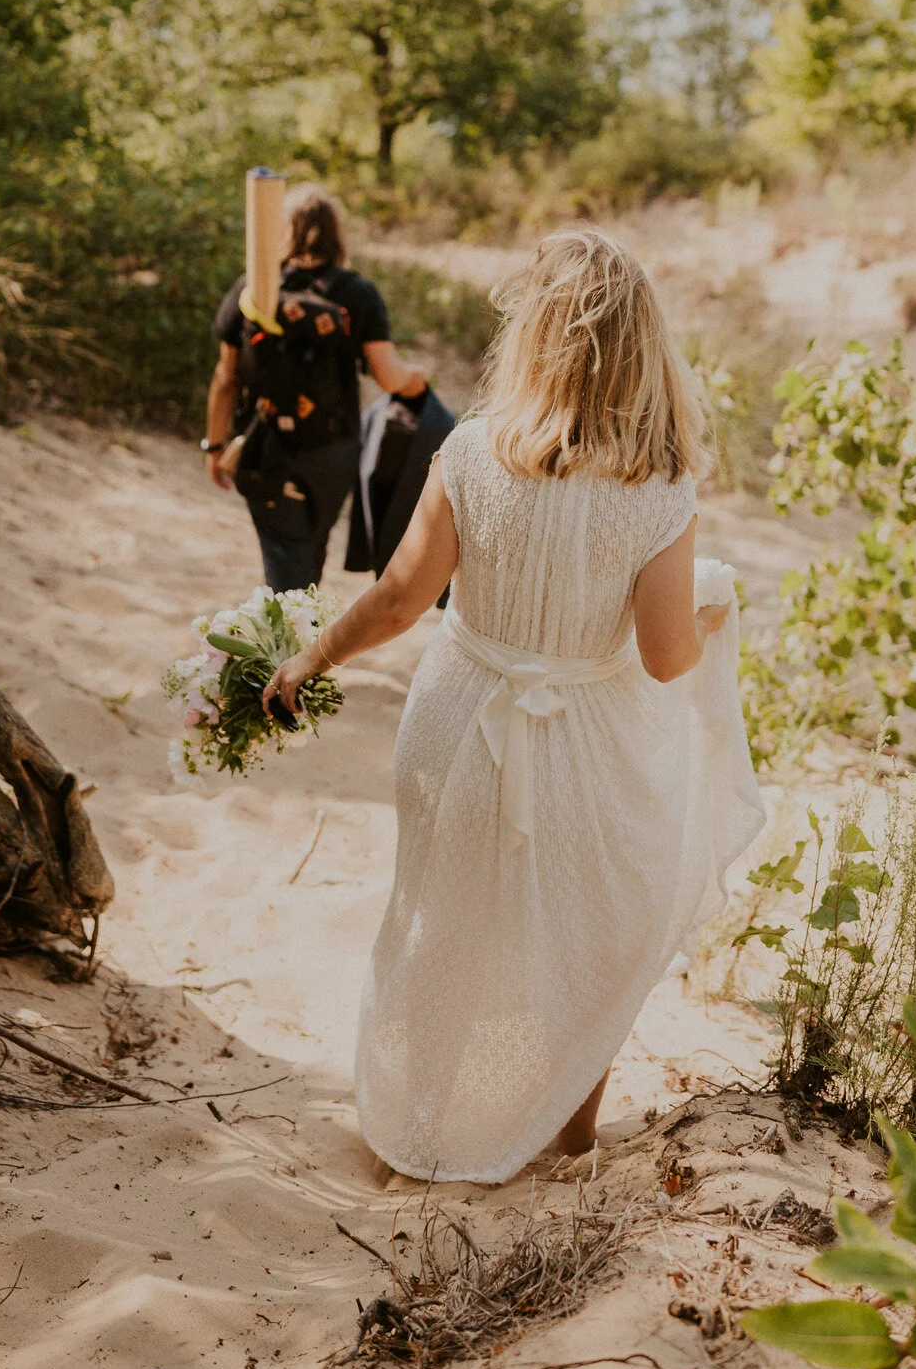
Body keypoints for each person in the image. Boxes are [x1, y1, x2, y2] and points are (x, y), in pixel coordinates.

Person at [264, 229, 764, 1184]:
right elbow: (665, 660)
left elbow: (402, 599)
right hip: (588, 743)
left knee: (440, 921)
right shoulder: (659, 486)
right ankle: (565, 1141)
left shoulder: (473, 452)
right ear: (641, 350)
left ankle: (418, 1132)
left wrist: (312, 655)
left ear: (534, 336)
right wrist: (708, 610)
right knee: (591, 939)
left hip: (456, 725)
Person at [204, 186, 428, 593]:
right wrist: (419, 377)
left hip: (263, 445)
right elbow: (390, 378)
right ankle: (298, 638)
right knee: (309, 557)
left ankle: (287, 645)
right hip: (333, 450)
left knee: (284, 560)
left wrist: (215, 445)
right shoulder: (358, 294)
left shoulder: (252, 292)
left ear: (282, 231)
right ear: (336, 234)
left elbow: (226, 379)